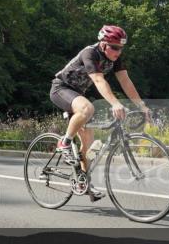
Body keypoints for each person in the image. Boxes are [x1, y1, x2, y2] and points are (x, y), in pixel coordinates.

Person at [49, 25, 150, 201]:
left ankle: (83, 182)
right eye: (115, 47)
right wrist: (115, 103)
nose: (118, 51)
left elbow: (125, 81)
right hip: (61, 89)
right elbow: (97, 79)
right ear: (103, 44)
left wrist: (141, 105)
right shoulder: (90, 53)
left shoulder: (115, 58)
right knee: (88, 108)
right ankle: (64, 143)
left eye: (121, 48)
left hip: (77, 95)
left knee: (88, 143)